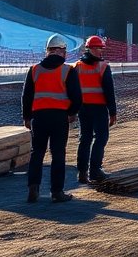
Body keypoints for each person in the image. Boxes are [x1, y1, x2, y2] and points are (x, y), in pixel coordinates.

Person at [22, 33, 82, 203]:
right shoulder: (67, 70)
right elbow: (77, 97)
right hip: (59, 118)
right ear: (62, 51)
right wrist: (71, 113)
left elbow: (27, 96)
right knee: (58, 154)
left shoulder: (34, 70)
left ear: (47, 51)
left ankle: (33, 188)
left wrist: (27, 117)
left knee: (37, 153)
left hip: (39, 118)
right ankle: (57, 191)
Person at [73, 35, 117, 184]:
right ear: (90, 49)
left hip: (83, 109)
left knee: (84, 139)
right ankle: (95, 171)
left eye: (101, 48)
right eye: (98, 48)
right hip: (98, 108)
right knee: (101, 138)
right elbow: (109, 91)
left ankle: (82, 172)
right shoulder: (103, 67)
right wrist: (113, 112)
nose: (100, 51)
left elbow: (72, 89)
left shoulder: (77, 66)